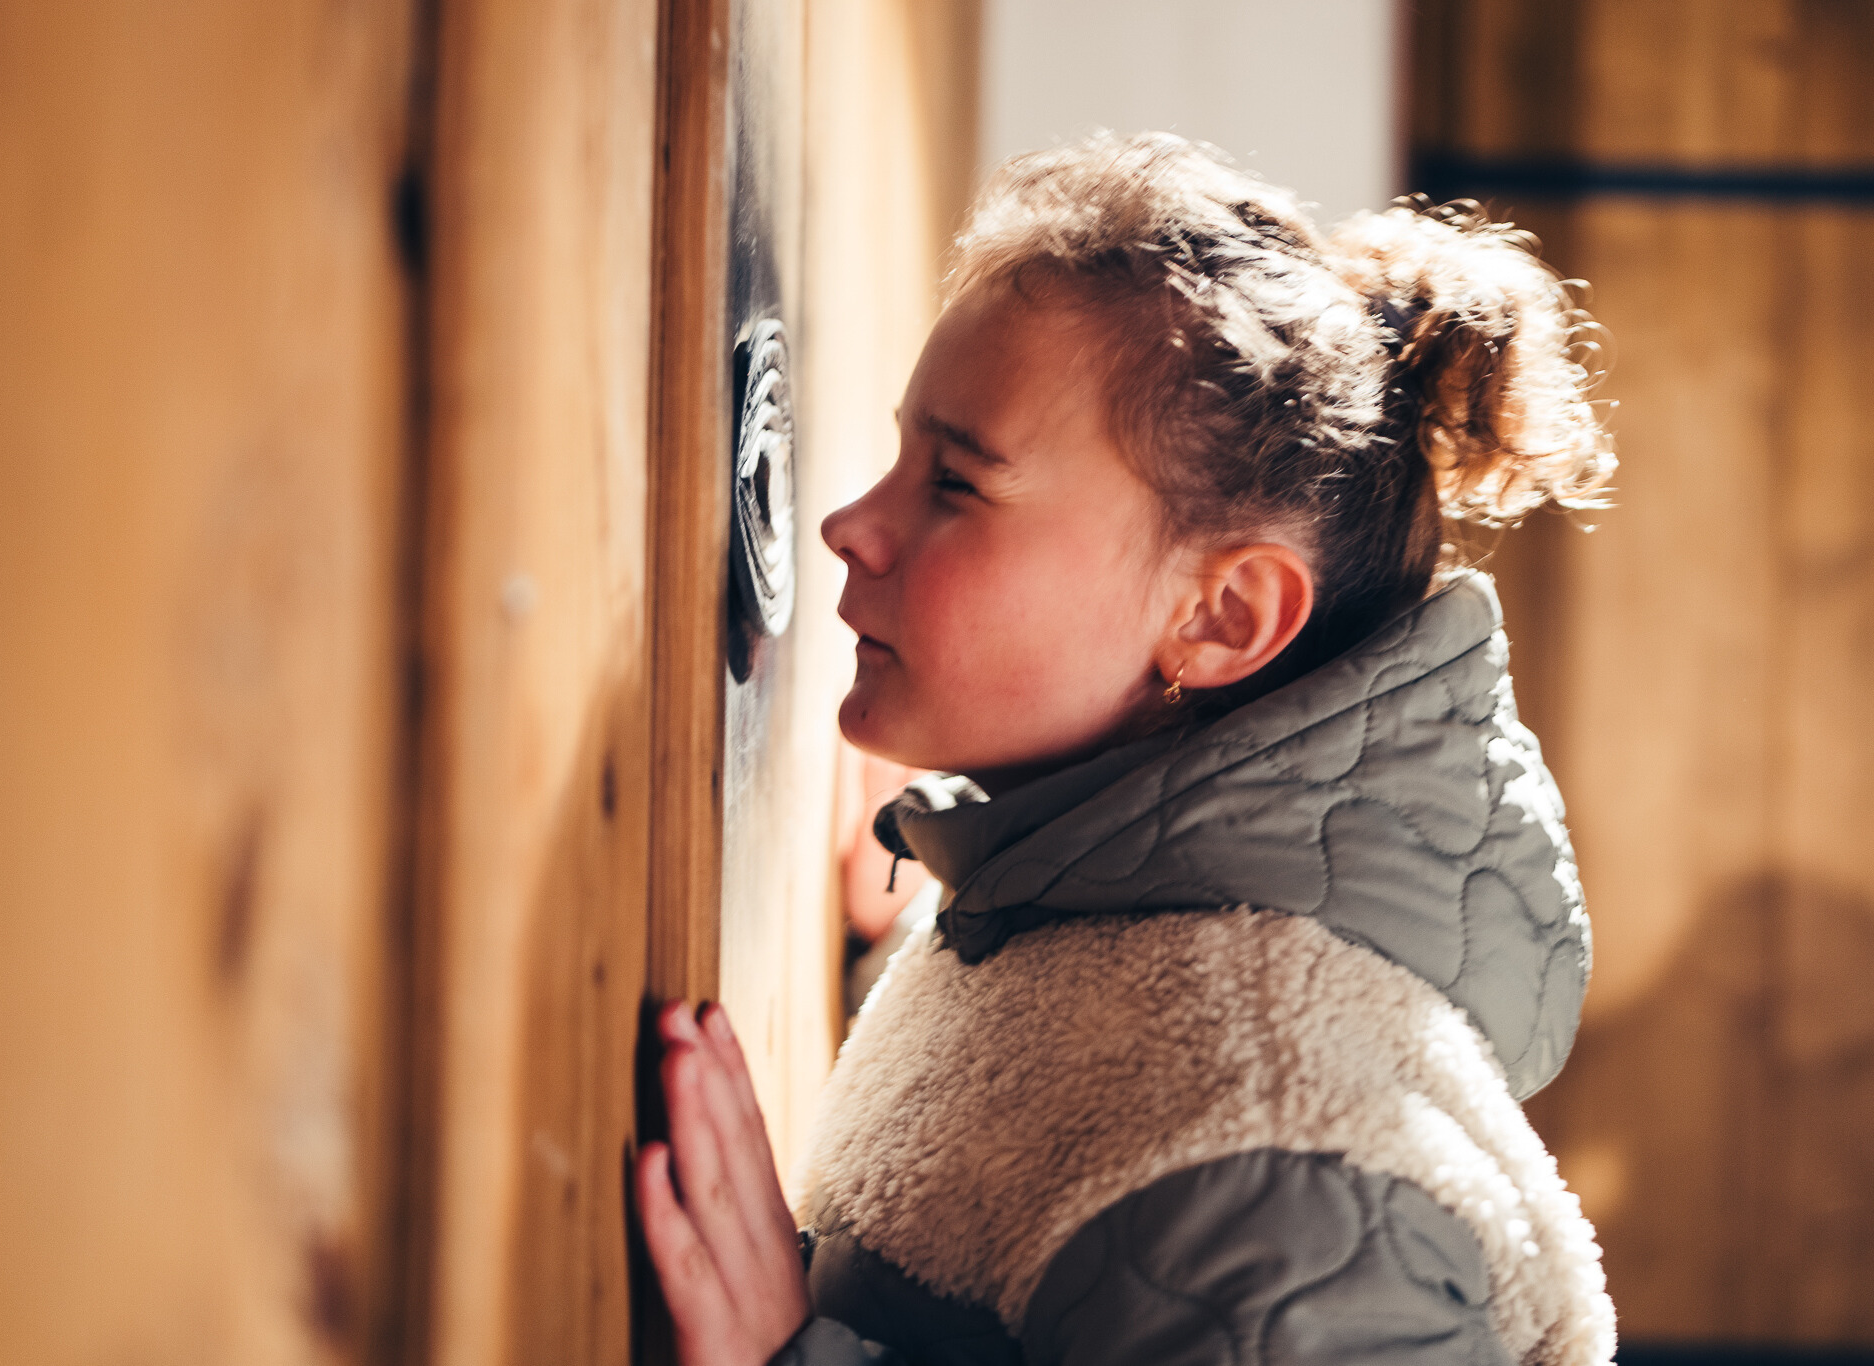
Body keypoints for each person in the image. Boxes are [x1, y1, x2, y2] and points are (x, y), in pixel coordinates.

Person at [637, 132, 1618, 1366]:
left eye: (952, 481)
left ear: (1219, 618)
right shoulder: (1109, 928)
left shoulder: (1288, 1174)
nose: (848, 526)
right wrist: (900, 925)